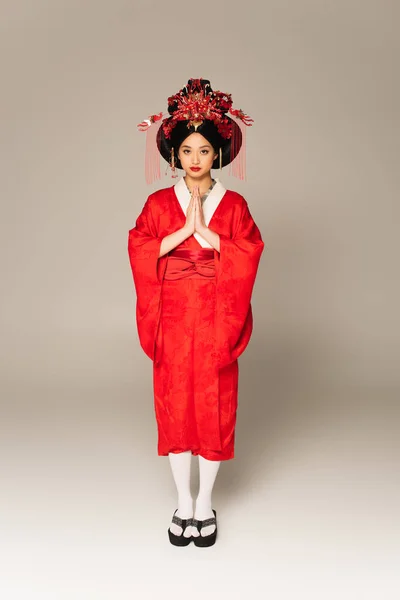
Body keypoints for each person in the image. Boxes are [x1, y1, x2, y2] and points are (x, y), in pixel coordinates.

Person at [127, 78, 265, 547]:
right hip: (172, 316)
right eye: (187, 149)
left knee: (213, 409)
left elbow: (246, 255)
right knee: (175, 410)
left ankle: (204, 500)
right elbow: (141, 248)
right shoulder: (158, 204)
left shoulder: (235, 205)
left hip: (214, 318)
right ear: (175, 154)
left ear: (218, 154)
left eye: (204, 150)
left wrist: (205, 232)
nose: (195, 159)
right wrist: (184, 228)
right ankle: (181, 502)